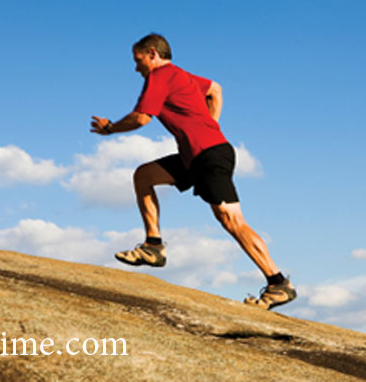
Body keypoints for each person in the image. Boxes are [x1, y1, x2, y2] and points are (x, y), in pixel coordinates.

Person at [90, 33, 296, 310]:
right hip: (195, 156)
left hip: (209, 154)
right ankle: (153, 245)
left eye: (138, 60)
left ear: (152, 53)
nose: (136, 67)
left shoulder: (160, 76)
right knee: (144, 175)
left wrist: (111, 128)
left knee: (230, 219)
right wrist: (210, 124)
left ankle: (278, 282)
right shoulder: (181, 76)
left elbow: (141, 118)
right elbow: (215, 89)